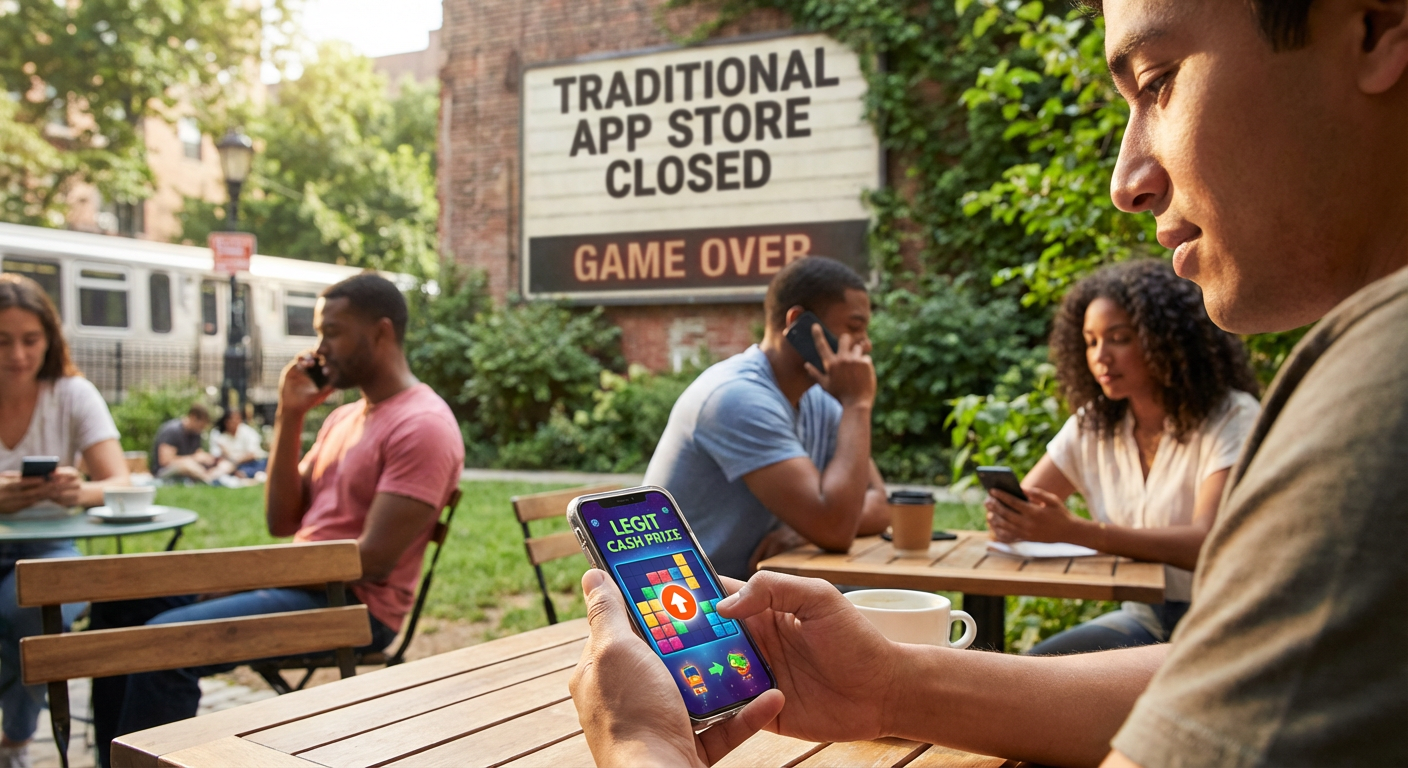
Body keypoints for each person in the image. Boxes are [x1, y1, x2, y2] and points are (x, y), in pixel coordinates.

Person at [569, 1, 1408, 766]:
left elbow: (845, 517)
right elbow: (1219, 678)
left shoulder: (1380, 379)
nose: (1126, 182)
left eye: (1158, 81)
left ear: (1375, 25)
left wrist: (646, 749)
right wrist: (891, 685)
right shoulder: (744, 396)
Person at [91, 273, 464, 767]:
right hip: (301, 582)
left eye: (332, 333)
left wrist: (246, 578)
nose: (319, 349)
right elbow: (282, 520)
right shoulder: (344, 417)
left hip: (355, 606)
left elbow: (371, 562)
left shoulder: (423, 425)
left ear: (381, 332)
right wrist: (291, 415)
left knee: (166, 641)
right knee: (116, 609)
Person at [984, 259, 1261, 654]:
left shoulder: (1232, 418)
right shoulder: (1095, 424)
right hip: (1145, 618)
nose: (1101, 356)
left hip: (1225, 621)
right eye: (1091, 341)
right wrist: (1011, 518)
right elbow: (1024, 505)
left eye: (1118, 338)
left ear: (1165, 340)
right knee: (1029, 671)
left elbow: (1206, 543)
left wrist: (1073, 530)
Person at [643, 256, 889, 580]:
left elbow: (880, 506)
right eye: (854, 328)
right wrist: (857, 405)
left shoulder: (819, 399)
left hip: (749, 590)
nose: (865, 345)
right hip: (686, 597)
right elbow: (836, 530)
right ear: (799, 322)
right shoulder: (736, 398)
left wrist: (804, 532)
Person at [0, 274, 130, 768]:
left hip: (52, 547)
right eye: (2, 341)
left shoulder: (73, 393)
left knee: (30, 614)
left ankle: (15, 738)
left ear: (50, 339)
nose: (17, 355)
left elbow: (120, 481)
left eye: (30, 340)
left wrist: (79, 491)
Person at [151, 404, 229, 484]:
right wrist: (193, 458)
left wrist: (208, 459)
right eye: (201, 426)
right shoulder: (172, 431)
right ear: (193, 417)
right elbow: (165, 461)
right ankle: (210, 481)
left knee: (226, 464)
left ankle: (212, 478)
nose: (202, 429)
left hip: (193, 470)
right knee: (187, 464)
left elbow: (198, 453)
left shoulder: (196, 433)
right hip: (165, 472)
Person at [210, 408, 267, 479]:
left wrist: (235, 460)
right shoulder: (220, 435)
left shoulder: (248, 432)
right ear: (226, 422)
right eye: (232, 419)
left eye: (237, 419)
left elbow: (252, 454)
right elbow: (217, 455)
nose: (235, 421)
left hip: (254, 463)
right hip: (231, 464)